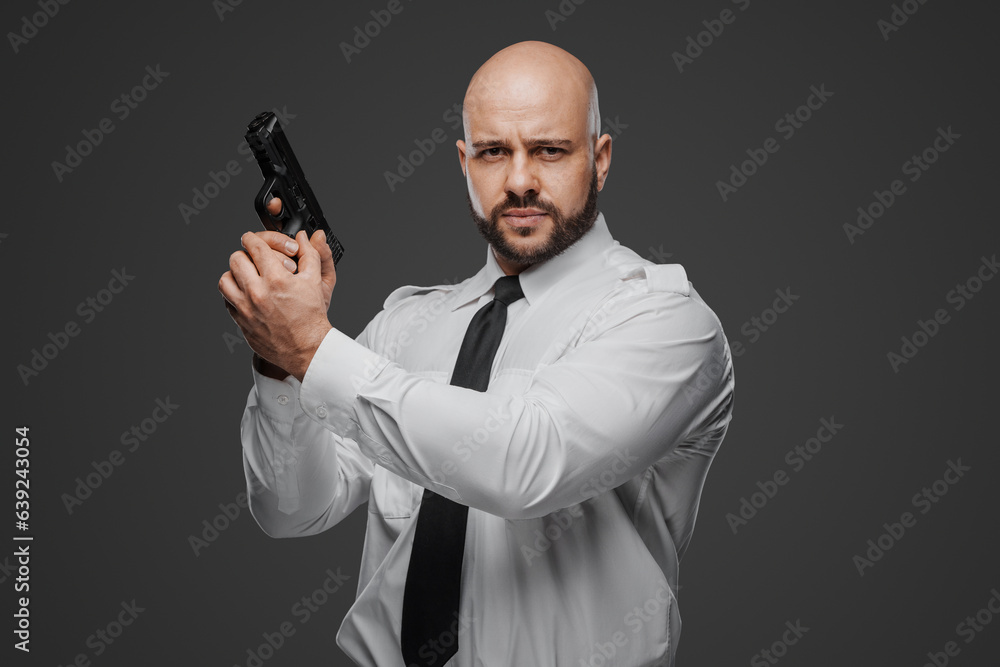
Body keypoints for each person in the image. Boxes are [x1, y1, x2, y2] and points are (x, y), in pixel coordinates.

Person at [220, 40, 735, 667]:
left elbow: (523, 463)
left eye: (549, 149)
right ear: (465, 163)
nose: (519, 180)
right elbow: (291, 510)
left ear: (600, 160)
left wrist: (311, 346)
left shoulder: (666, 322)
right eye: (494, 152)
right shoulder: (407, 324)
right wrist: (281, 360)